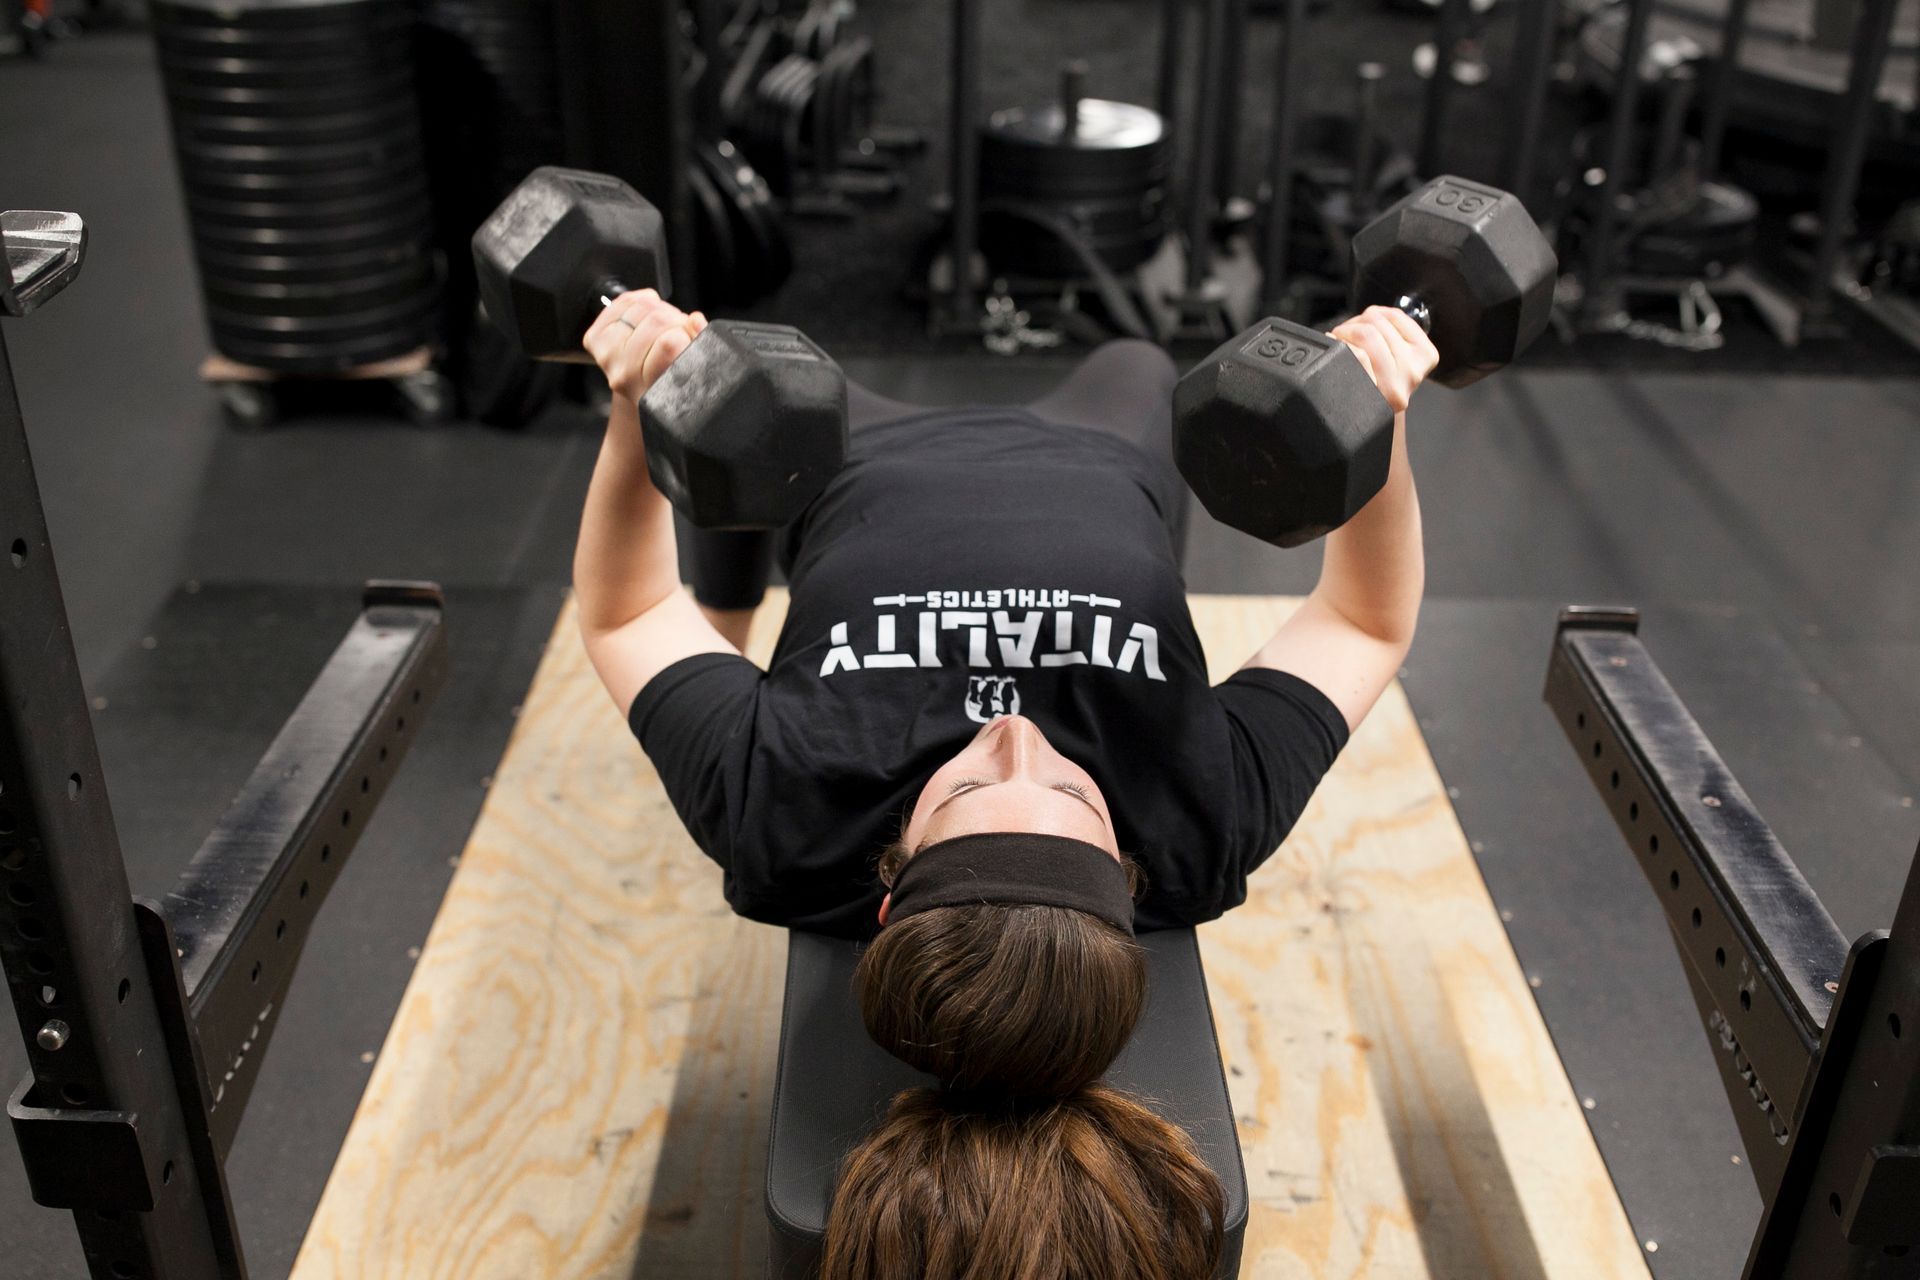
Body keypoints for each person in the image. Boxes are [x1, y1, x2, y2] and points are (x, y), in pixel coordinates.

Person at [575, 294, 1436, 1276]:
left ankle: (727, 588)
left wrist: (633, 407)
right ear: (1129, 867)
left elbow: (628, 611)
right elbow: (1366, 622)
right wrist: (1381, 424)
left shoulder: (787, 809)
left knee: (730, 384)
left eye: (963, 787)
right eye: (1075, 793)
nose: (1017, 735)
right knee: (1139, 353)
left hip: (836, 451)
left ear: (891, 881)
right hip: (1106, 455)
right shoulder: (1200, 815)